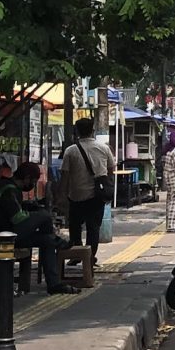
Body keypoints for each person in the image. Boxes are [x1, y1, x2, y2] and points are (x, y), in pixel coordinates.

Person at [60, 117, 115, 286]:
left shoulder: (70, 151)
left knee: (75, 227)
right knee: (93, 228)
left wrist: (62, 196)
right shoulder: (103, 148)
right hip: (96, 197)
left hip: (76, 196)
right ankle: (90, 257)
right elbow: (111, 169)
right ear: (93, 130)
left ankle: (78, 254)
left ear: (76, 131)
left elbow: (65, 175)